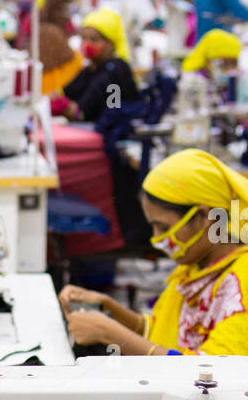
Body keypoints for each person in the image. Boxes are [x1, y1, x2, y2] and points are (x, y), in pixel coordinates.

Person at [59, 150, 248, 355]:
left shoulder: (241, 282)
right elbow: (160, 332)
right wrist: (109, 307)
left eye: (164, 228)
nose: (156, 239)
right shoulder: (197, 267)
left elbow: (214, 376)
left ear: (204, 217)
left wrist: (113, 336)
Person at [61, 9, 138, 122]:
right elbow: (68, 92)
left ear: (110, 43)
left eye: (93, 39)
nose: (86, 44)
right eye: (83, 38)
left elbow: (110, 109)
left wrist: (73, 110)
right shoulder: (90, 69)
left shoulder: (115, 70)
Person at [34, 0, 83, 96]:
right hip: (48, 88)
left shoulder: (51, 28)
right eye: (64, 10)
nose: (67, 15)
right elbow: (68, 59)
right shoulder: (50, 32)